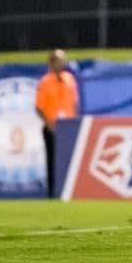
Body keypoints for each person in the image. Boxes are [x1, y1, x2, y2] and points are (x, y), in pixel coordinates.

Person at [35, 49, 79, 198]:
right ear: (52, 63)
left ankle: (69, 191)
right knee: (52, 162)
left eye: (63, 60)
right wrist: (49, 125)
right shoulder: (45, 82)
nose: (62, 63)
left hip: (68, 127)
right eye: (59, 60)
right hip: (51, 127)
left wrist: (73, 122)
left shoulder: (70, 79)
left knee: (70, 161)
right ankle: (53, 193)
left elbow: (74, 103)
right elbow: (39, 107)